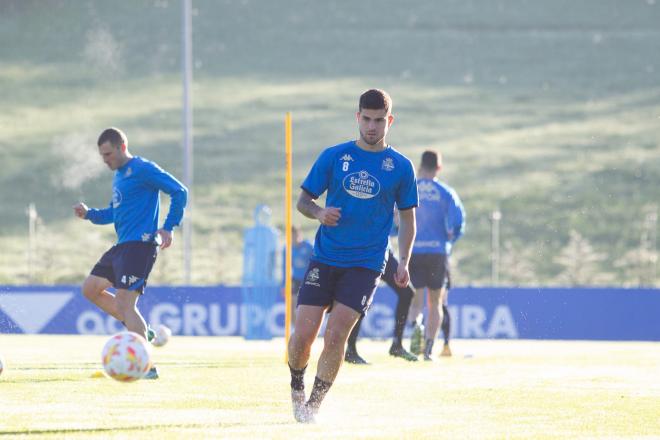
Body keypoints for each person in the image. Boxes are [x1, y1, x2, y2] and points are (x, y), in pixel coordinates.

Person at [287, 89, 418, 423]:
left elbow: (407, 221)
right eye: (366, 119)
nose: (372, 127)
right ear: (357, 117)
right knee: (302, 335)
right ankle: (296, 388)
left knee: (336, 335)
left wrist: (403, 261)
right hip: (325, 258)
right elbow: (302, 202)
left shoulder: (400, 167)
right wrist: (318, 213)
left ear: (390, 121)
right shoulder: (334, 156)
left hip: (366, 264)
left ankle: (312, 408)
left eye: (379, 121)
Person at [73, 127, 188, 379]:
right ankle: (141, 332)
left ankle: (146, 366)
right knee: (90, 288)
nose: (105, 160)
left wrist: (168, 228)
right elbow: (114, 213)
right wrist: (90, 213)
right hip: (122, 245)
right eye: (102, 156)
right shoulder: (120, 176)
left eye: (108, 154)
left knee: (126, 304)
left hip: (141, 246)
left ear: (122, 147)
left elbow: (179, 191)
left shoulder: (143, 169)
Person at [407, 150, 465, 361]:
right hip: (437, 253)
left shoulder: (410, 189)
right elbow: (458, 222)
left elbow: (396, 219)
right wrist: (450, 239)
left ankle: (416, 328)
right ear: (439, 168)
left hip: (413, 251)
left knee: (415, 302)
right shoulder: (446, 192)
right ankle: (429, 349)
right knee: (435, 303)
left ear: (421, 165)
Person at [345, 218, 418, 364]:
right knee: (361, 298)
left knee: (407, 292)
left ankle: (397, 345)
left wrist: (398, 221)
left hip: (384, 251)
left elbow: (399, 228)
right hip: (364, 252)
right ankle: (350, 350)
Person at [282, 225, 314, 322]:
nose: (294, 239)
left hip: (308, 280)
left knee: (307, 307)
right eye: (291, 237)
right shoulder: (287, 249)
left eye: (295, 236)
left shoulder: (308, 247)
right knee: (292, 306)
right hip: (295, 280)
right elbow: (285, 268)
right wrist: (284, 284)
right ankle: (295, 330)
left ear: (299, 235)